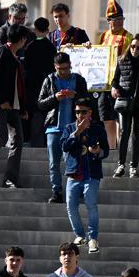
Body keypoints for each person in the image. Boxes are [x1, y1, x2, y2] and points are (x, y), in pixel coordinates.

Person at [0, 23, 31, 189]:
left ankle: (10, 178)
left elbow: (18, 86)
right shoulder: (3, 52)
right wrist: (2, 99)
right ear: (22, 39)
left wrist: (23, 108)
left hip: (13, 106)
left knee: (18, 139)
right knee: (1, 137)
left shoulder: (14, 56)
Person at [40, 52, 91, 203]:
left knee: (76, 160)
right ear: (55, 67)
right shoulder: (49, 80)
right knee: (53, 163)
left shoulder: (79, 80)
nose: (63, 72)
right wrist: (55, 98)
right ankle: (57, 192)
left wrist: (76, 97)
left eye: (66, 68)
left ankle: (77, 190)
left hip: (74, 128)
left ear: (70, 66)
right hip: (54, 128)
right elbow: (40, 104)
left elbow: (88, 102)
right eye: (60, 69)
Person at [64, 100, 109, 254]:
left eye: (83, 112)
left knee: (91, 204)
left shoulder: (98, 128)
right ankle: (80, 235)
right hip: (74, 173)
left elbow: (106, 150)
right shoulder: (69, 127)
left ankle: (93, 238)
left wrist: (98, 151)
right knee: (71, 205)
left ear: (90, 112)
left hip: (92, 173)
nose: (80, 115)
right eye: (77, 112)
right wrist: (76, 132)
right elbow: (64, 146)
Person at [110, 32, 139, 177]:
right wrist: (114, 87)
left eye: (138, 47)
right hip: (125, 101)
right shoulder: (122, 59)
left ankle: (133, 167)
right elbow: (115, 79)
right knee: (124, 133)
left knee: (138, 135)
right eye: (133, 46)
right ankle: (120, 165)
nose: (135, 49)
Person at [96, 0, 137, 148]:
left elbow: (130, 62)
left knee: (121, 117)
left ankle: (122, 149)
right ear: (109, 21)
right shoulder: (103, 36)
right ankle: (111, 148)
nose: (120, 22)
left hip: (121, 84)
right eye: (116, 19)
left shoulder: (128, 37)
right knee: (107, 117)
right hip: (104, 84)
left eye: (121, 19)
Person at [23, 17, 58, 147]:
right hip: (47, 86)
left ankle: (34, 143)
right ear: (48, 30)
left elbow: (26, 67)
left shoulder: (29, 47)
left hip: (32, 86)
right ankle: (44, 143)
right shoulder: (51, 48)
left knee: (34, 116)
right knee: (45, 115)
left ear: (35, 30)